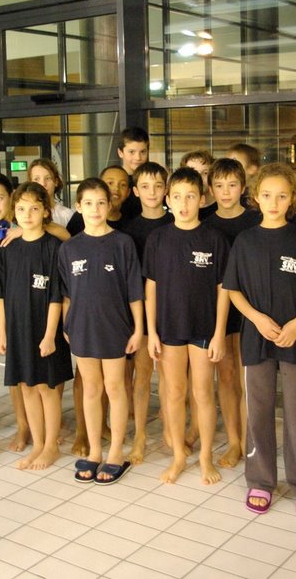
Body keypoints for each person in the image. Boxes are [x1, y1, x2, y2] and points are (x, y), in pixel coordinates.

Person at [223, 163, 296, 523]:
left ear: (293, 199)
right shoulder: (245, 241)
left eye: (282, 196)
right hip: (257, 337)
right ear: (255, 197)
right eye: (267, 195)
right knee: (258, 410)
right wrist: (256, 318)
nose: (274, 202)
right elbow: (233, 290)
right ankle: (260, 481)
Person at [145, 167, 230, 485]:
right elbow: (151, 288)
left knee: (203, 392)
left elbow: (224, 290)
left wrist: (219, 333)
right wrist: (152, 332)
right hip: (169, 328)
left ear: (202, 199)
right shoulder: (158, 238)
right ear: (168, 199)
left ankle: (205, 456)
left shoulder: (214, 239)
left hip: (204, 328)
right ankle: (179, 455)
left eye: (191, 197)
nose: (183, 204)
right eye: (178, 197)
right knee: (174, 392)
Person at [59, 177, 145, 485]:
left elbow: (134, 291)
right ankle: (95, 450)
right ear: (78, 207)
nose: (95, 209)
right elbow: (66, 295)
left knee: (115, 388)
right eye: (88, 203)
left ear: (109, 206)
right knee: (91, 389)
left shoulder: (123, 243)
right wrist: (67, 326)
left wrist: (138, 329)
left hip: (115, 327)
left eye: (101, 203)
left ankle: (116, 452)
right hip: (82, 328)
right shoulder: (69, 248)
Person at [0, 182, 73, 470]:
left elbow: (56, 296)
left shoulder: (53, 248)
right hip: (18, 329)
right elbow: (0, 295)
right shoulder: (8, 249)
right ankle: (38, 443)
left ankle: (51, 446)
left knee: (47, 389)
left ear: (45, 212)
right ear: (13, 212)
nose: (27, 215)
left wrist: (51, 335)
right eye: (21, 209)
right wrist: (2, 333)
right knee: (27, 386)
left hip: (45, 329)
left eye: (34, 208)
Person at [202, 158, 260, 468]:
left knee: (248, 376)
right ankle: (234, 441)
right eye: (219, 186)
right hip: (218, 309)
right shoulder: (205, 223)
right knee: (226, 376)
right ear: (210, 189)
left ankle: (251, 440)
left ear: (243, 187)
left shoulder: (256, 220)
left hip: (252, 307)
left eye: (232, 185)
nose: (226, 192)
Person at [120, 161, 173, 464]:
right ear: (136, 191)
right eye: (145, 186)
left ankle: (169, 429)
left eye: (158, 186)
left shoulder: (176, 222)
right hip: (140, 313)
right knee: (142, 376)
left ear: (166, 189)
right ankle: (139, 434)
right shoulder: (129, 231)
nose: (152, 192)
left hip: (171, 310)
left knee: (168, 376)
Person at [0, 172, 31, 452]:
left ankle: (45, 423)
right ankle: (23, 426)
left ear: (11, 196)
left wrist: (23, 230)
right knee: (14, 372)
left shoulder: (25, 222)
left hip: (25, 305)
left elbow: (61, 234)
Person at [66, 165, 131, 236]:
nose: (116, 188)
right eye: (110, 183)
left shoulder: (131, 223)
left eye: (123, 185)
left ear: (128, 192)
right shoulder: (82, 217)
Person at [28, 158, 74, 227]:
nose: (43, 184)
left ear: (56, 182)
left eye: (48, 178)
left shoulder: (67, 215)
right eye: (36, 179)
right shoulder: (23, 214)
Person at [117, 126, 150, 222]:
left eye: (143, 152)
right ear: (120, 152)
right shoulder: (113, 181)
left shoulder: (153, 179)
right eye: (132, 152)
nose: (138, 157)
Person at [179, 150, 216, 218]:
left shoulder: (223, 205)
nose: (200, 178)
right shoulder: (178, 208)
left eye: (205, 173)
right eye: (193, 173)